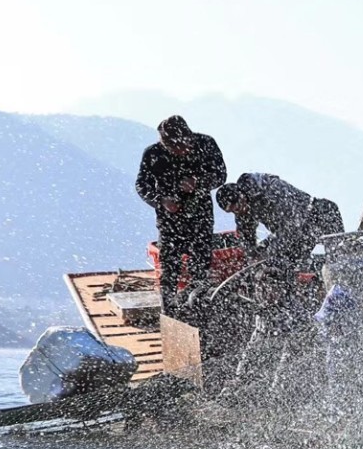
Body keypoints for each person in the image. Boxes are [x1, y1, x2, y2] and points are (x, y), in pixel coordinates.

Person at [134, 116, 225, 312]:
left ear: (188, 138)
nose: (179, 152)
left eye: (182, 147)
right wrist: (161, 201)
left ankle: (198, 311)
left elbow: (221, 174)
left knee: (200, 267)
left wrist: (198, 182)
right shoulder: (153, 154)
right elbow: (142, 185)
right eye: (172, 148)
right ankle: (169, 313)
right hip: (170, 221)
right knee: (170, 270)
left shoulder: (206, 144)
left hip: (200, 217)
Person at [216, 173, 345, 276]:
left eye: (238, 207)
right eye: (233, 211)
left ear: (241, 194)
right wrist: (253, 257)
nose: (239, 212)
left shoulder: (268, 187)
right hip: (294, 232)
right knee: (286, 267)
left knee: (337, 262)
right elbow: (247, 238)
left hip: (317, 214)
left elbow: (293, 225)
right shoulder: (243, 212)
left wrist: (269, 252)